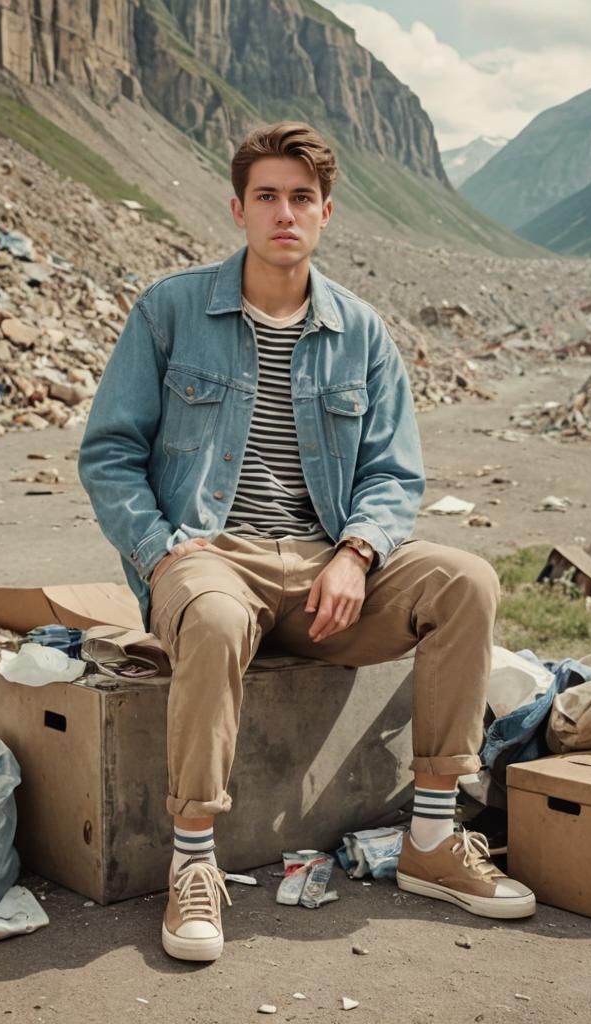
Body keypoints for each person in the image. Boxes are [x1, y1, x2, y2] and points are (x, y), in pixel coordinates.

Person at [78, 121, 535, 963]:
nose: (283, 213)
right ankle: (192, 865)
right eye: (266, 197)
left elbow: (395, 475)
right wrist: (159, 552)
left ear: (325, 214)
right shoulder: (171, 310)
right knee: (213, 620)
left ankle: (432, 841)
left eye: (300, 198)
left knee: (465, 580)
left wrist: (358, 553)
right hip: (211, 556)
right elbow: (109, 452)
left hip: (328, 568)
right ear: (238, 210)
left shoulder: (362, 334)